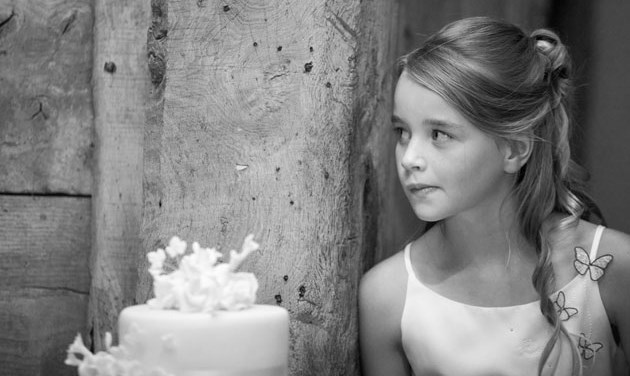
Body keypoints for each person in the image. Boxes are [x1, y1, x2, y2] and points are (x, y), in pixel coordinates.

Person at [359, 16, 630, 376]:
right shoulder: (387, 296)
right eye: (402, 132)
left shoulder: (613, 268)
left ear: (514, 149)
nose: (409, 159)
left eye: (439, 134)